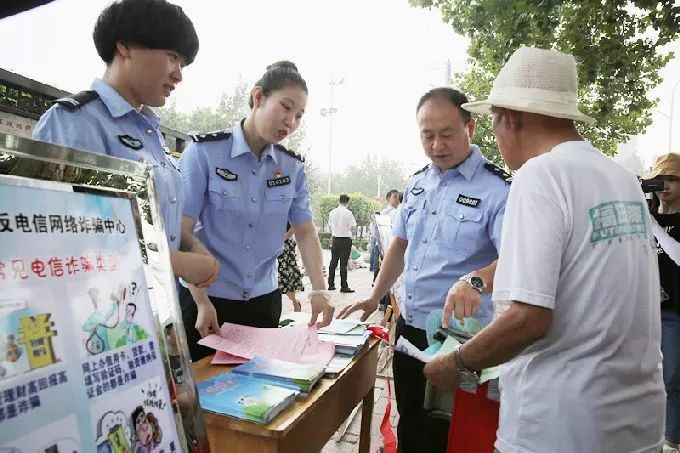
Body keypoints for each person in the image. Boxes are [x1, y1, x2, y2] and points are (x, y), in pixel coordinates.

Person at [425, 47, 665, 453]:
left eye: (494, 123)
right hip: (636, 425)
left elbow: (529, 319)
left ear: (511, 118)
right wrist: (483, 277)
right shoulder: (621, 178)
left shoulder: (539, 176)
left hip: (558, 429)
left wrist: (457, 364)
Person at [339, 87, 510, 453]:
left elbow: (516, 258)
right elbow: (400, 245)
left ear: (471, 128)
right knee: (412, 424)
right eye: (426, 135)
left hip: (461, 340)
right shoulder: (417, 184)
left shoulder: (498, 191)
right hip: (411, 331)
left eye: (446, 134)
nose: (436, 145)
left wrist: (476, 280)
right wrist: (373, 296)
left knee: (454, 434)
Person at [31, 0, 217, 288]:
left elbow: (157, 218)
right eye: (172, 56)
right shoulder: (75, 122)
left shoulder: (149, 131)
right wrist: (177, 263)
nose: (179, 74)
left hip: (152, 307)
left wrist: (192, 245)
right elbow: (66, 238)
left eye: (183, 63)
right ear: (125, 47)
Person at [179, 61, 334, 361]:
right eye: (285, 108)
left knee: (259, 397)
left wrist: (320, 289)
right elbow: (181, 230)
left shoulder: (291, 166)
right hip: (208, 303)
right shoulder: (204, 153)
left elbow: (304, 230)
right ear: (259, 97)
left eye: (299, 116)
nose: (290, 122)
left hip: (264, 303)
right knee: (204, 397)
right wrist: (200, 300)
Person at [643, 153, 680, 453]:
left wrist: (653, 226)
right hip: (642, 310)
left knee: (669, 376)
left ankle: (670, 440)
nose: (664, 186)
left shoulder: (660, 221)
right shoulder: (645, 213)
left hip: (674, 311)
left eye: (673, 179)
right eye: (659, 180)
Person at [328, 194, 357, 293]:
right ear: (347, 202)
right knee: (343, 264)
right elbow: (353, 226)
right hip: (345, 240)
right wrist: (348, 230)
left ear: (339, 201)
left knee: (333, 262)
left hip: (335, 239)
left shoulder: (332, 212)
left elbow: (330, 227)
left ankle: (331, 284)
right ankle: (343, 286)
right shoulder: (348, 213)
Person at [278, 224, 304, 312]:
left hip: (285, 245)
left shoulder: (287, 211)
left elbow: (294, 227)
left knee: (286, 276)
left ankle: (295, 303)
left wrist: (282, 239)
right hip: (271, 244)